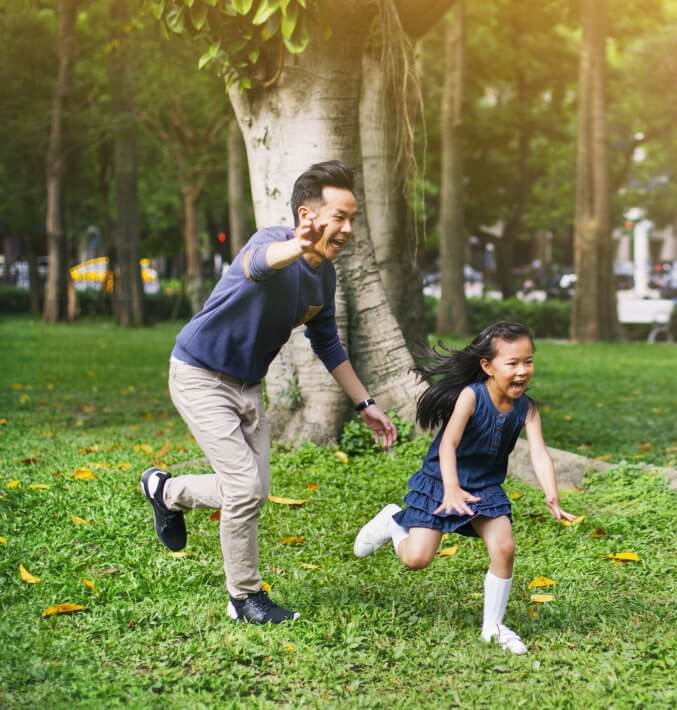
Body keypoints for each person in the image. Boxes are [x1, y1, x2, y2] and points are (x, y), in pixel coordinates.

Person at [141, 160, 396, 624]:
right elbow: (257, 267)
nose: (348, 228)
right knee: (244, 488)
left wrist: (366, 404)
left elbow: (328, 343)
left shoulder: (326, 275)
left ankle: (166, 491)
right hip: (199, 374)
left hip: (246, 385)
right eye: (339, 216)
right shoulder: (269, 243)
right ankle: (244, 598)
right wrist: (293, 247)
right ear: (307, 215)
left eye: (352, 218)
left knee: (253, 492)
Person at [352, 321, 575, 654]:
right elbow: (448, 445)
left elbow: (540, 453)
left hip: (485, 486)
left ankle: (494, 627)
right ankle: (393, 520)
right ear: (487, 366)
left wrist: (551, 493)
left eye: (528, 361)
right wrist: (452, 489)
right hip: (442, 480)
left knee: (504, 547)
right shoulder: (471, 396)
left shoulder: (527, 409)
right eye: (512, 363)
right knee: (416, 559)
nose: (522, 371)